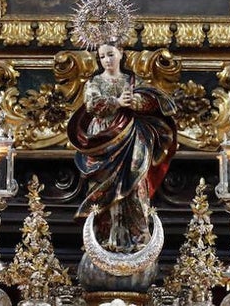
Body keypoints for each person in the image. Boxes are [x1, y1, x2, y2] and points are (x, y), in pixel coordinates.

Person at [67, 42, 177, 253]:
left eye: (110, 54)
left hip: (132, 138)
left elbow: (152, 101)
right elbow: (92, 105)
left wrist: (135, 101)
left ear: (121, 54)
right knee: (103, 188)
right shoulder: (95, 82)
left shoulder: (133, 81)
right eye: (102, 57)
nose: (106, 60)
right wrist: (117, 102)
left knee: (135, 186)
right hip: (103, 140)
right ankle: (103, 240)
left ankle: (137, 241)